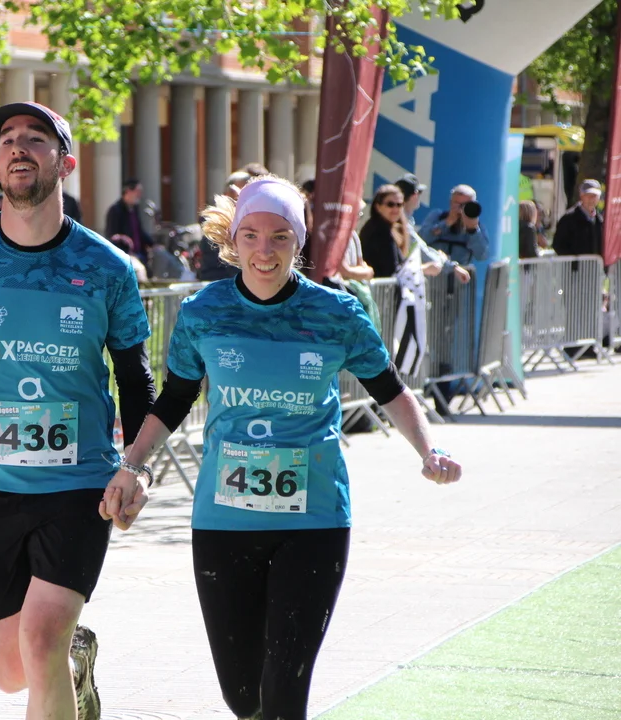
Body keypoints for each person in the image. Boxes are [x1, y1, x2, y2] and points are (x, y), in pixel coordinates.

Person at [101, 175, 463, 720]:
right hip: (224, 520)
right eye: (250, 235)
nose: (264, 251)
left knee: (285, 692)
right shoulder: (204, 311)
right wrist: (131, 466)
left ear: (299, 240)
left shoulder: (336, 313)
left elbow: (390, 389)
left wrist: (427, 451)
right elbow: (175, 399)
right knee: (243, 695)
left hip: (313, 520)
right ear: (234, 240)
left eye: (279, 236)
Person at [0, 101, 155, 720]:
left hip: (77, 483)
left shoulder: (106, 267)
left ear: (64, 163)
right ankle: (74, 667)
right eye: (8, 140)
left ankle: (59, 656)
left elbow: (135, 377)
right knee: (9, 671)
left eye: (36, 138)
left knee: (40, 642)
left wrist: (135, 466)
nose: (18, 146)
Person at [361, 185, 449, 376]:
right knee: (383, 354)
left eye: (399, 204)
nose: (395, 209)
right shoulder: (378, 230)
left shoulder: (394, 229)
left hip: (390, 302)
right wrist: (423, 269)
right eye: (390, 204)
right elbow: (391, 270)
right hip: (381, 301)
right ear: (378, 206)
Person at [420, 184, 489, 265]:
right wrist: (446, 223)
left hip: (460, 270)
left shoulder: (476, 225)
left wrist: (472, 230)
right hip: (434, 268)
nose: (461, 208)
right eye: (457, 204)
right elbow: (420, 240)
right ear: (450, 202)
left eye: (466, 205)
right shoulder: (437, 216)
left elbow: (482, 256)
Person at [104, 178, 153, 265]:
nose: (139, 195)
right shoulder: (115, 210)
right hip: (125, 255)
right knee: (139, 270)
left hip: (140, 253)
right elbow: (112, 236)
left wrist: (154, 244)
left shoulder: (134, 209)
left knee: (162, 256)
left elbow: (139, 232)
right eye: (137, 191)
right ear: (128, 191)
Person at [552, 179, 604, 258]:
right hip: (575, 265)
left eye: (594, 196)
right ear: (581, 196)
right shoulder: (568, 219)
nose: (591, 199)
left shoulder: (600, 221)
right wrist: (575, 260)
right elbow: (558, 245)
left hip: (596, 265)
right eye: (588, 195)